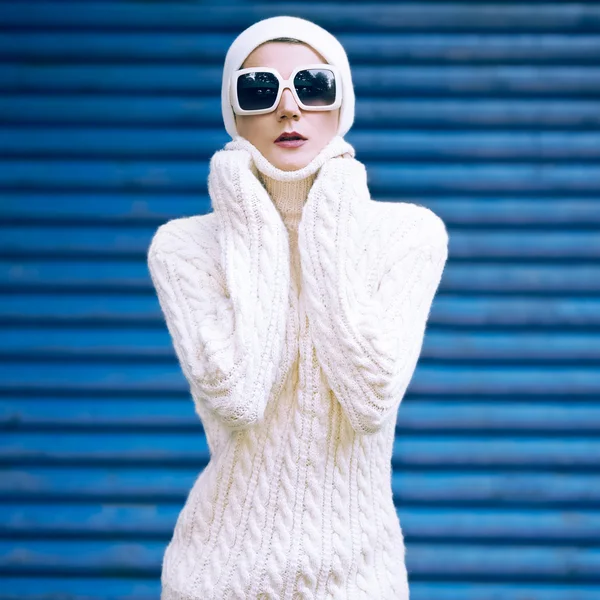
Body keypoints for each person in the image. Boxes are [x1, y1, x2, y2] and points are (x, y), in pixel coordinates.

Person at [147, 15, 449, 600]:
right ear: (234, 115)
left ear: (344, 105)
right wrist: (252, 214)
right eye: (260, 90)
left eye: (313, 86)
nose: (290, 109)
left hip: (361, 583)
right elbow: (238, 395)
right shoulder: (185, 247)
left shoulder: (408, 235)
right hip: (216, 579)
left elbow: (370, 395)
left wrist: (328, 209)